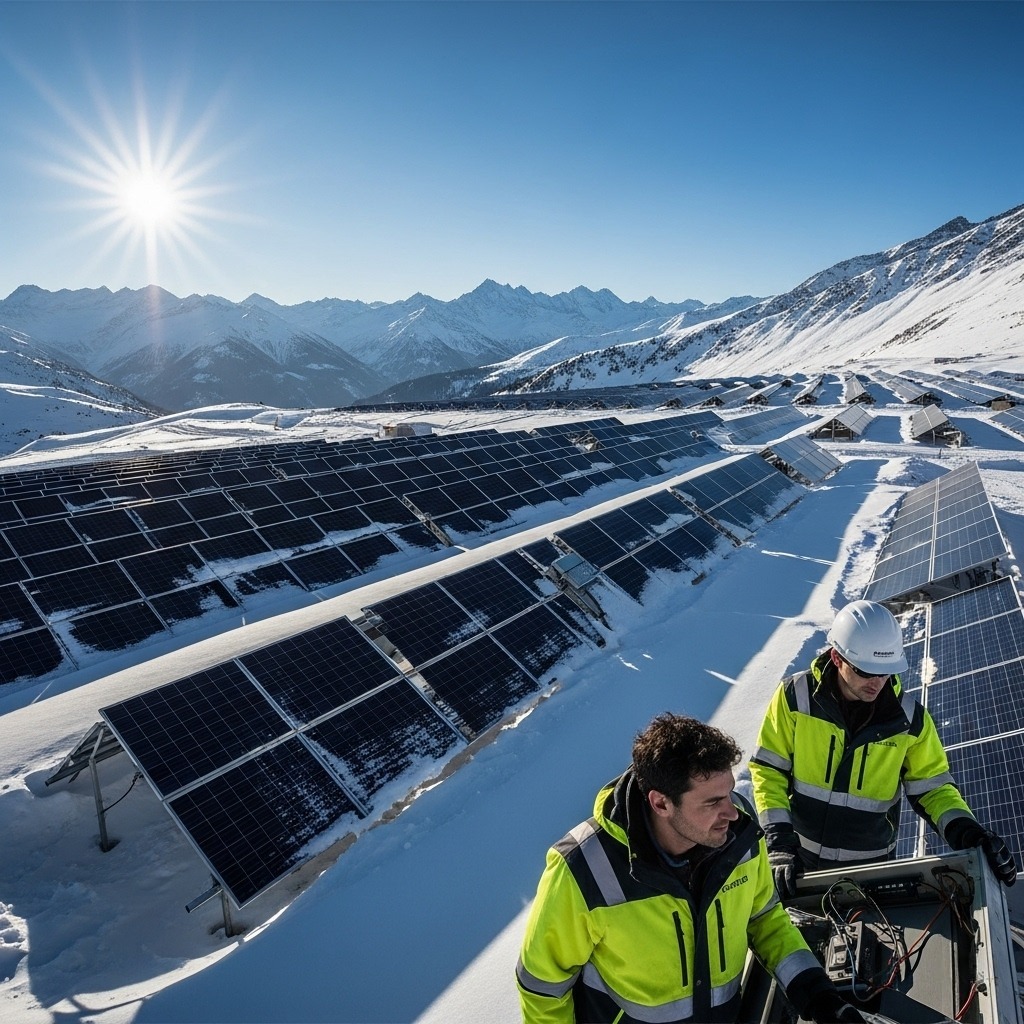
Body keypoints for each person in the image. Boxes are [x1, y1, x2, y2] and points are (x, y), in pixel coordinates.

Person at [516, 713, 865, 1023]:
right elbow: (543, 988)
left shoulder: (738, 834)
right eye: (712, 802)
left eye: (728, 793)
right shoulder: (582, 869)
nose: (731, 811)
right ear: (661, 803)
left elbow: (764, 918)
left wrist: (817, 996)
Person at [750, 599, 1018, 898]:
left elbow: (933, 787)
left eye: (886, 671)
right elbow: (768, 771)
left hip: (872, 870)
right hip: (798, 861)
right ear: (838, 659)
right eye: (866, 671)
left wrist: (967, 831)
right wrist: (778, 841)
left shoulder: (909, 720)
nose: (878, 682)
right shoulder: (794, 698)